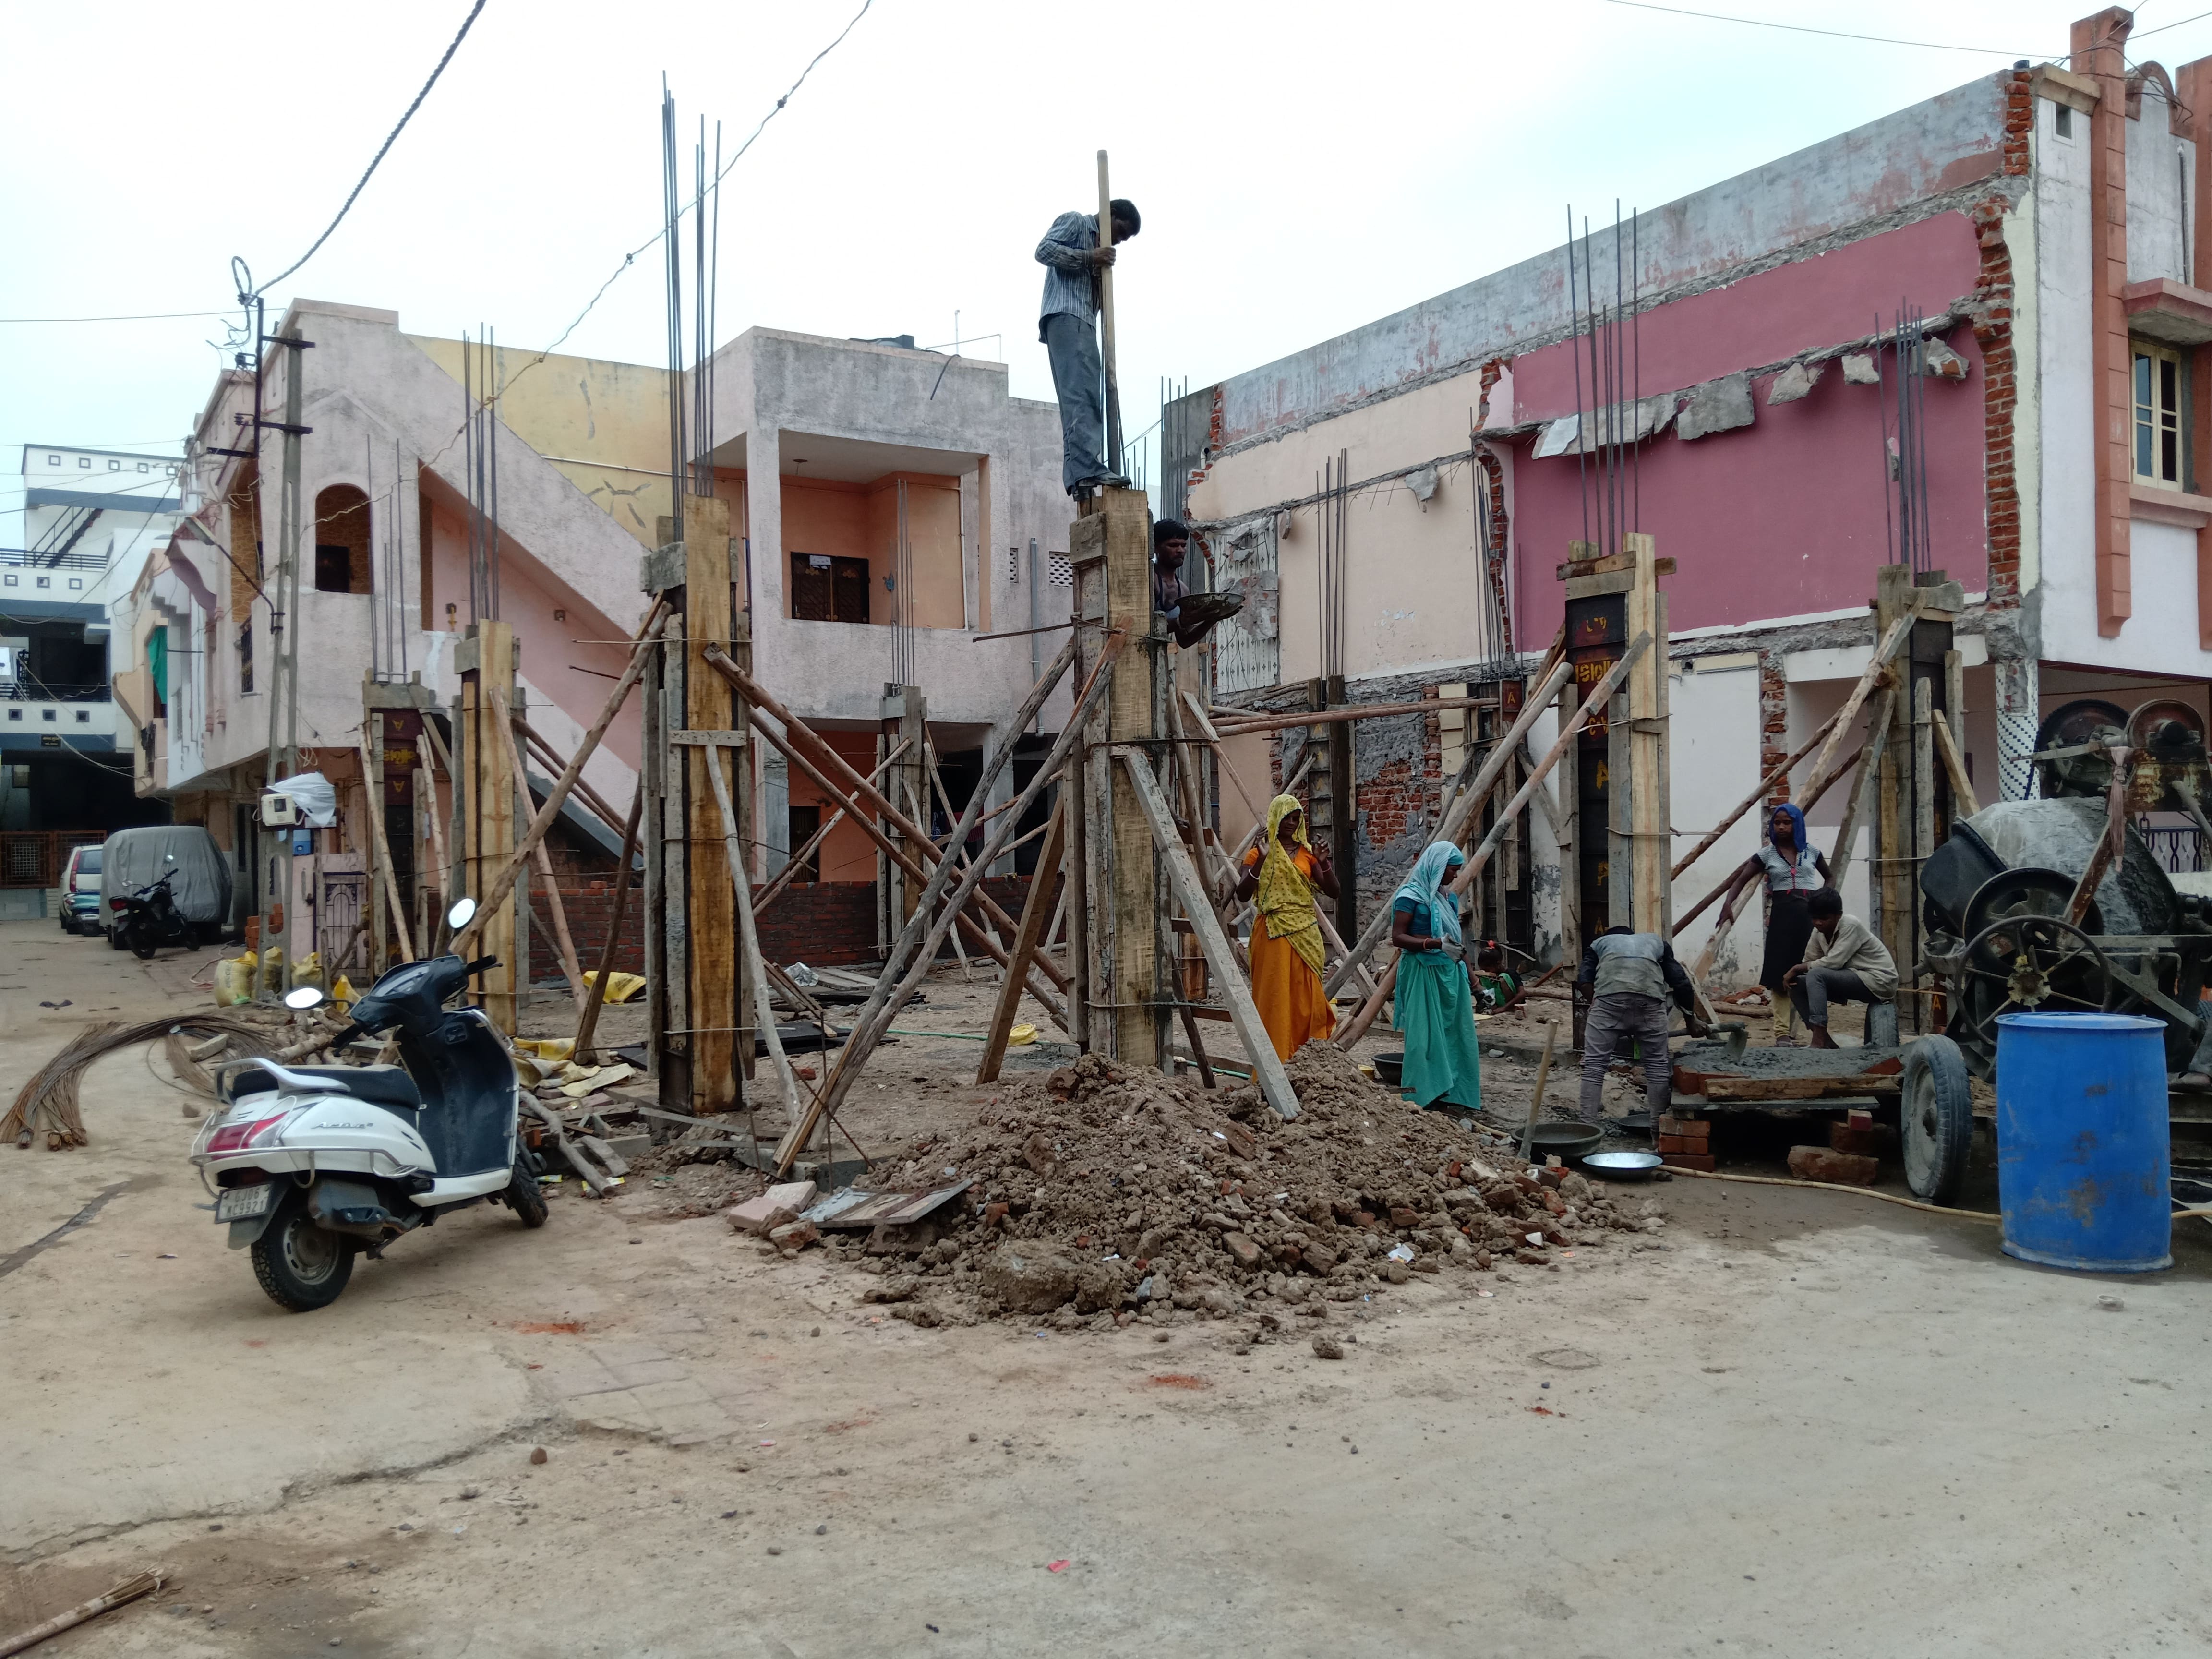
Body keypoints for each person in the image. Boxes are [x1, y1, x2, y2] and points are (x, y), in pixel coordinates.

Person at [1035, 198, 1141, 497]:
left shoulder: (1099, 249)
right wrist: (1090, 258)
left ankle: (1079, 475)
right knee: (1083, 397)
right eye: (1121, 231)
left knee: (1078, 399)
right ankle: (1087, 468)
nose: (1120, 240)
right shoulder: (1077, 222)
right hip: (1069, 315)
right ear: (1111, 214)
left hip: (1080, 321)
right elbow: (1044, 251)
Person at [1234, 794, 1337, 1060]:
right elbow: (1243, 893)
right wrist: (1261, 860)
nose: (1291, 823)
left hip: (1306, 932)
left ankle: (1308, 1061)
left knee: (1308, 998)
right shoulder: (1258, 852)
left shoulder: (1308, 854)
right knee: (1276, 998)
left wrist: (1324, 862)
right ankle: (1275, 1062)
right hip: (1273, 931)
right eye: (1286, 818)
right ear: (1275, 819)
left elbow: (1334, 891)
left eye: (1296, 818)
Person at [1575, 927, 1709, 1129]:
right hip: (1650, 1003)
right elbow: (1681, 983)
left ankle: (1588, 1130)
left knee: (1594, 1066)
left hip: (1609, 1001)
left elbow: (1584, 982)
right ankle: (1659, 1132)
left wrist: (1601, 1006)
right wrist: (1691, 1021)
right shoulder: (1656, 944)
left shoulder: (1600, 944)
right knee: (1657, 1067)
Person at [1389, 842, 1484, 1109]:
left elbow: (1456, 943)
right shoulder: (1409, 897)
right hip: (1422, 971)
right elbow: (1398, 937)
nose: (1455, 875)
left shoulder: (1449, 899)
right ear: (1438, 867)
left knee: (1456, 1034)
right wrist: (1432, 944)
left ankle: (1452, 1092)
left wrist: (1475, 984)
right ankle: (1420, 1094)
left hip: (1450, 974)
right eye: (1452, 869)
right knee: (1423, 1039)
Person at [1782, 888, 1897, 1048]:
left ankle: (1818, 1040)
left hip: (1878, 980)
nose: (1818, 923)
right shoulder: (1818, 932)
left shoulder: (1851, 924)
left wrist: (1796, 969)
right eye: (1814, 918)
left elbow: (1834, 962)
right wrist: (1799, 972)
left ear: (1839, 915)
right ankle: (1826, 1041)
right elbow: (1810, 961)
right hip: (1852, 978)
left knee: (1816, 974)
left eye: (1825, 918)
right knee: (1797, 985)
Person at [1756, 802, 1829, 1043]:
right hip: (1781, 922)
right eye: (1777, 823)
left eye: (1787, 823)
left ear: (1797, 825)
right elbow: (1742, 878)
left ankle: (1814, 1031)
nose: (1782, 827)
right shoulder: (1767, 854)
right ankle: (1781, 1034)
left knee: (1808, 974)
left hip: (1808, 922)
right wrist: (1728, 905)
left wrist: (1823, 900)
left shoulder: (1812, 852)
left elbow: (1829, 877)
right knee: (1779, 976)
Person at [1473, 940, 1524, 1013]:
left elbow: (1522, 993)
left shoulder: (1511, 973)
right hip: (1497, 1004)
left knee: (1502, 978)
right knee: (1481, 976)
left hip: (1510, 1004)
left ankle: (1508, 1007)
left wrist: (1504, 1008)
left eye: (1487, 969)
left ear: (1498, 964)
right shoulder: (1490, 974)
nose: (1486, 971)